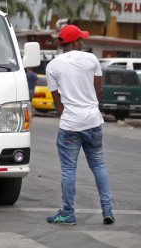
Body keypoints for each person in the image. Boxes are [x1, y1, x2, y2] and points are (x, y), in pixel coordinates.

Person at [45, 24, 114, 225]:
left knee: (68, 170)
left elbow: (57, 102)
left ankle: (67, 213)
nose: (83, 42)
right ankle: (107, 210)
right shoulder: (92, 59)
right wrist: (90, 106)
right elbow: (99, 91)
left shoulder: (52, 66)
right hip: (93, 121)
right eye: (81, 39)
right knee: (99, 165)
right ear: (75, 42)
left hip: (70, 124)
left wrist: (67, 116)